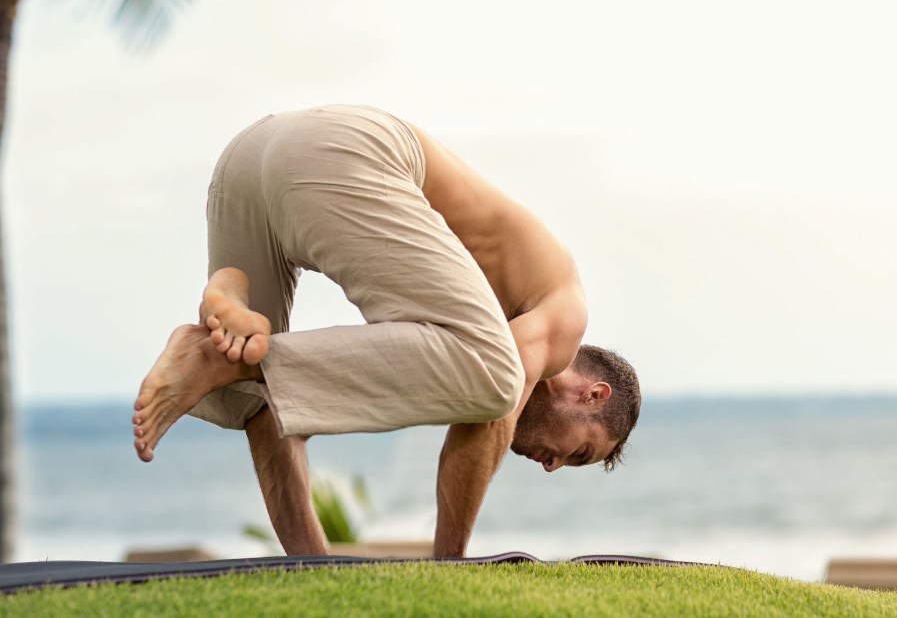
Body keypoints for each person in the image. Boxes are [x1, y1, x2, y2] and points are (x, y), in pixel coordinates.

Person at [130, 105, 640, 557]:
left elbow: (282, 403)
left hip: (250, 156)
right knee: (494, 378)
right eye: (578, 452)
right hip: (346, 151)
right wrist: (450, 566)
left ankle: (227, 298)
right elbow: (491, 414)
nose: (552, 467)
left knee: (250, 392)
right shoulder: (564, 316)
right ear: (592, 394)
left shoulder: (486, 319)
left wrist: (316, 573)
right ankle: (218, 351)